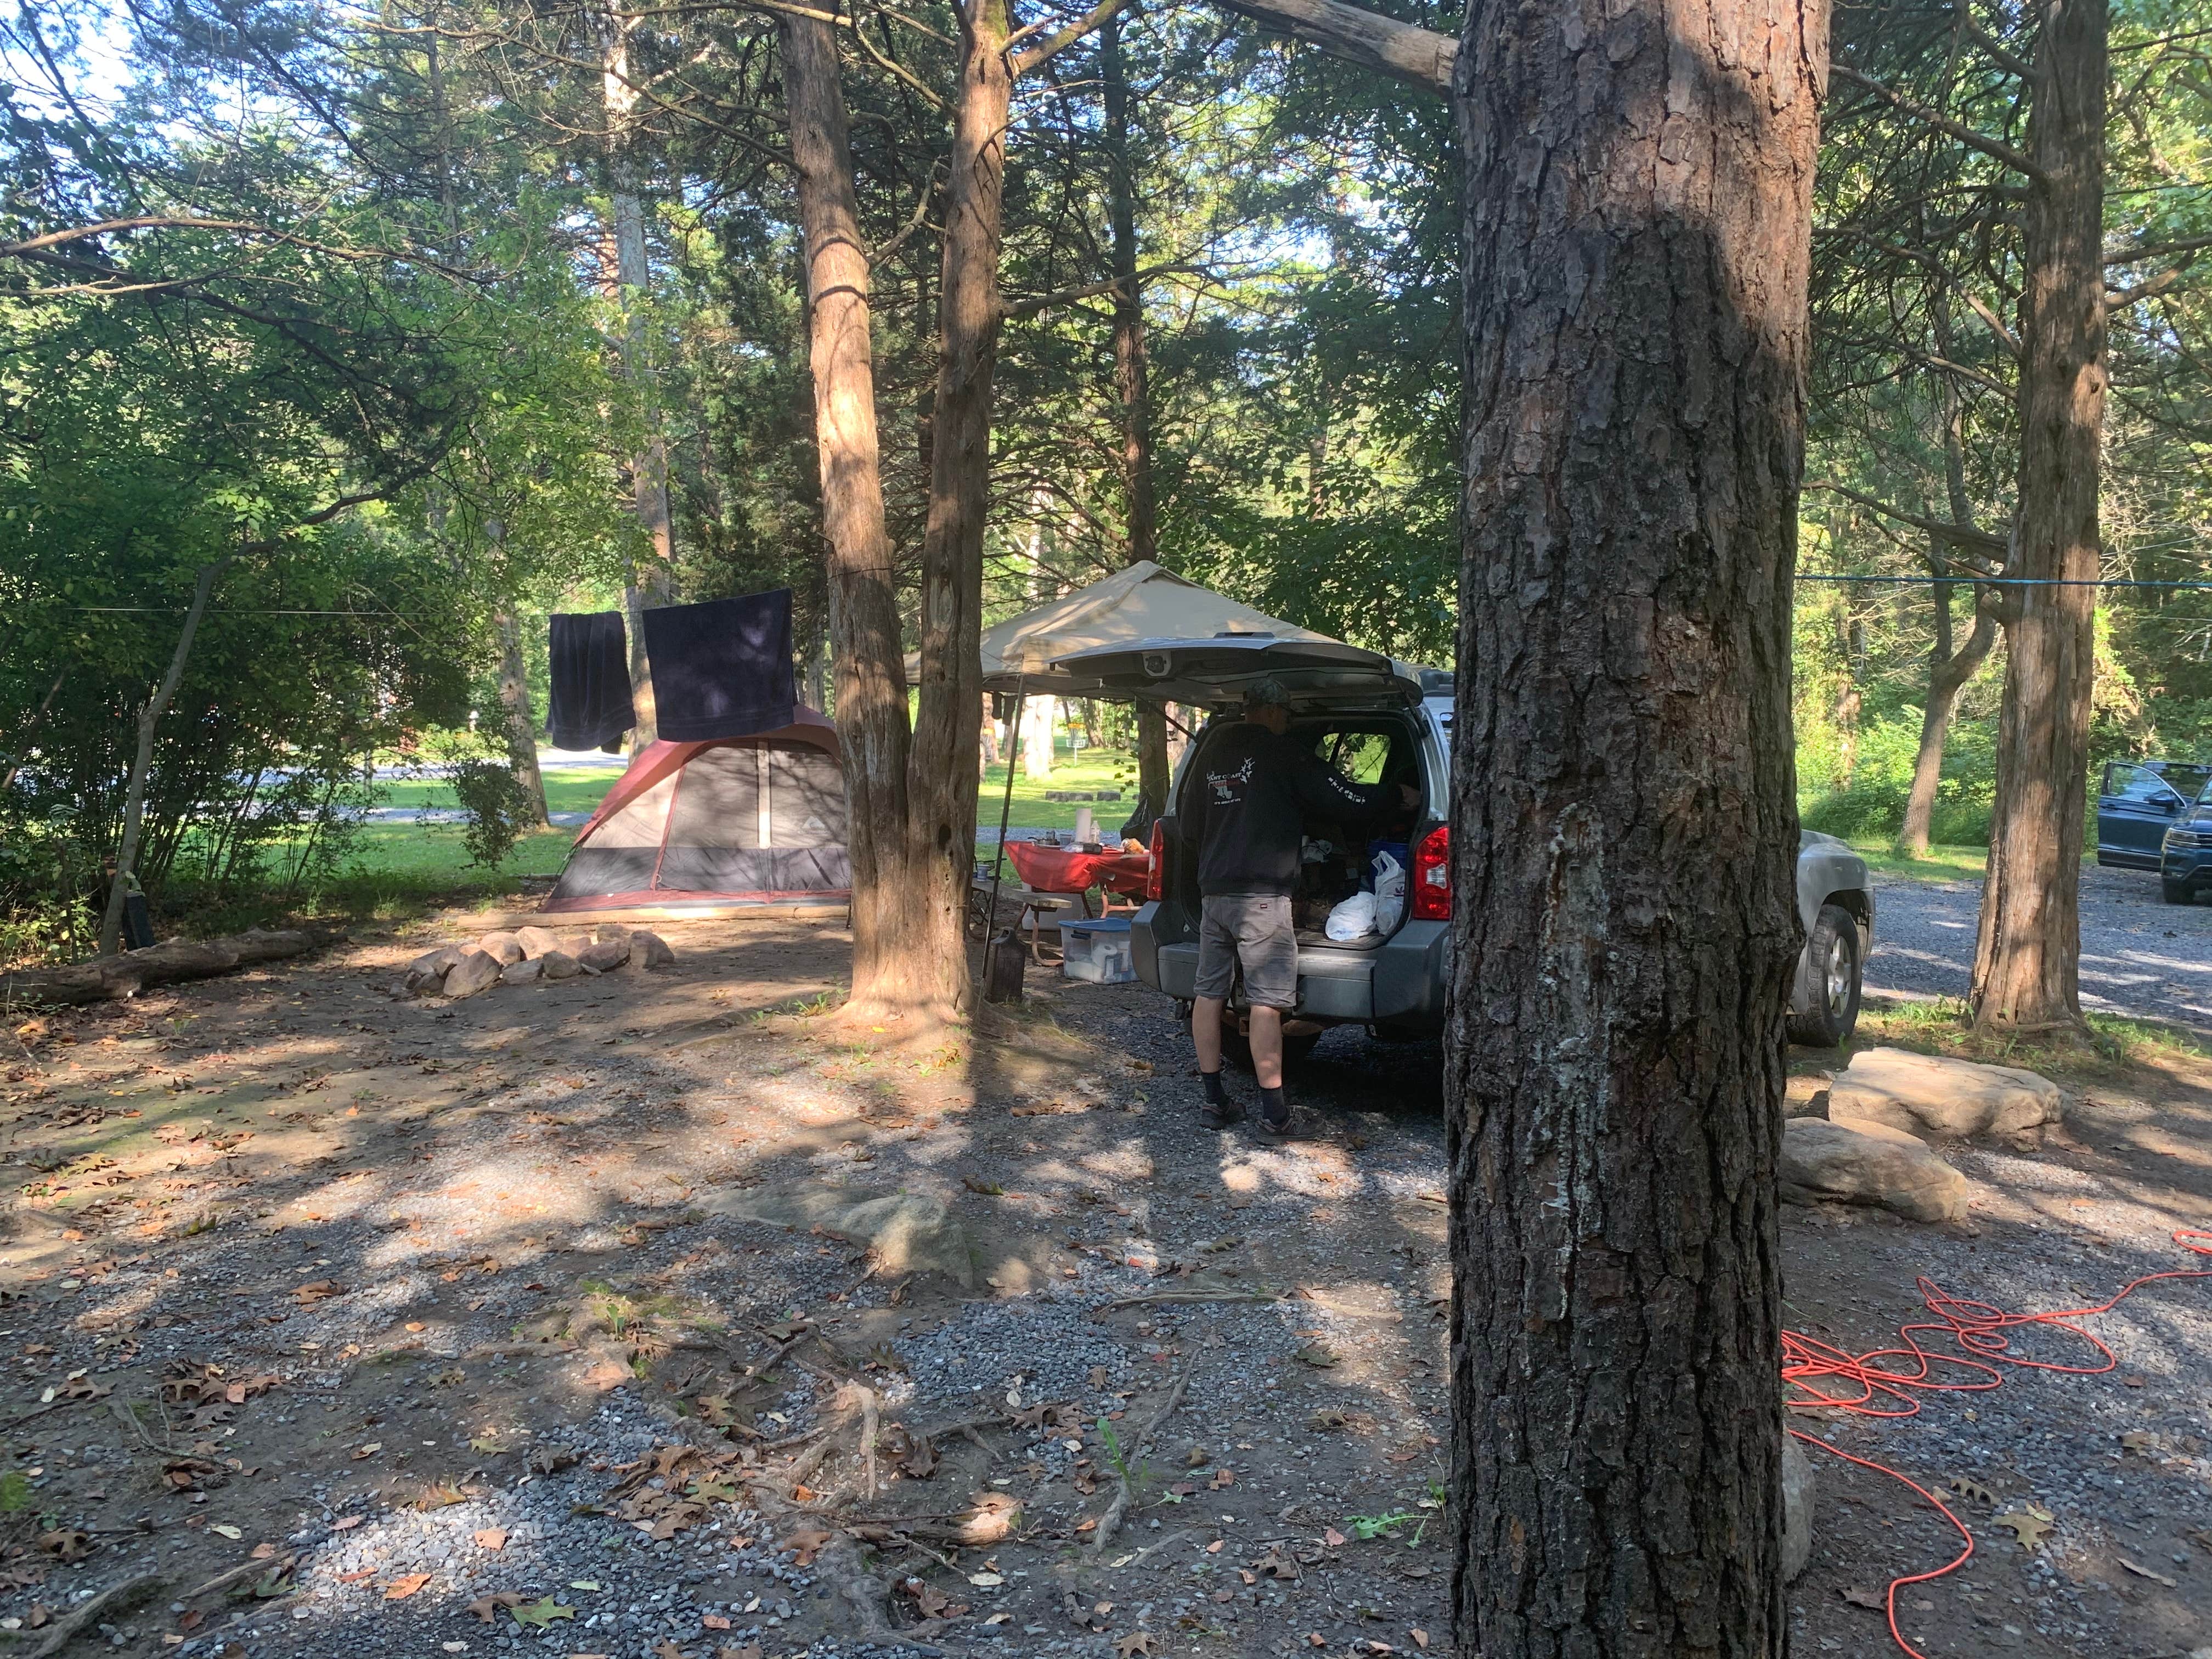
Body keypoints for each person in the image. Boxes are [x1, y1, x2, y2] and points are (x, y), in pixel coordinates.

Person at [1183, 679, 1419, 1133]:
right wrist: (1396, 797)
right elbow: (1342, 798)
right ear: (1274, 712)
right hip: (1262, 899)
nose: (1287, 722)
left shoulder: (1213, 755)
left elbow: (1191, 826)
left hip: (1213, 893)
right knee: (1268, 1002)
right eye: (1286, 715)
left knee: (1208, 994)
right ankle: (1276, 1116)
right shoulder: (1282, 751)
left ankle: (1215, 1102)